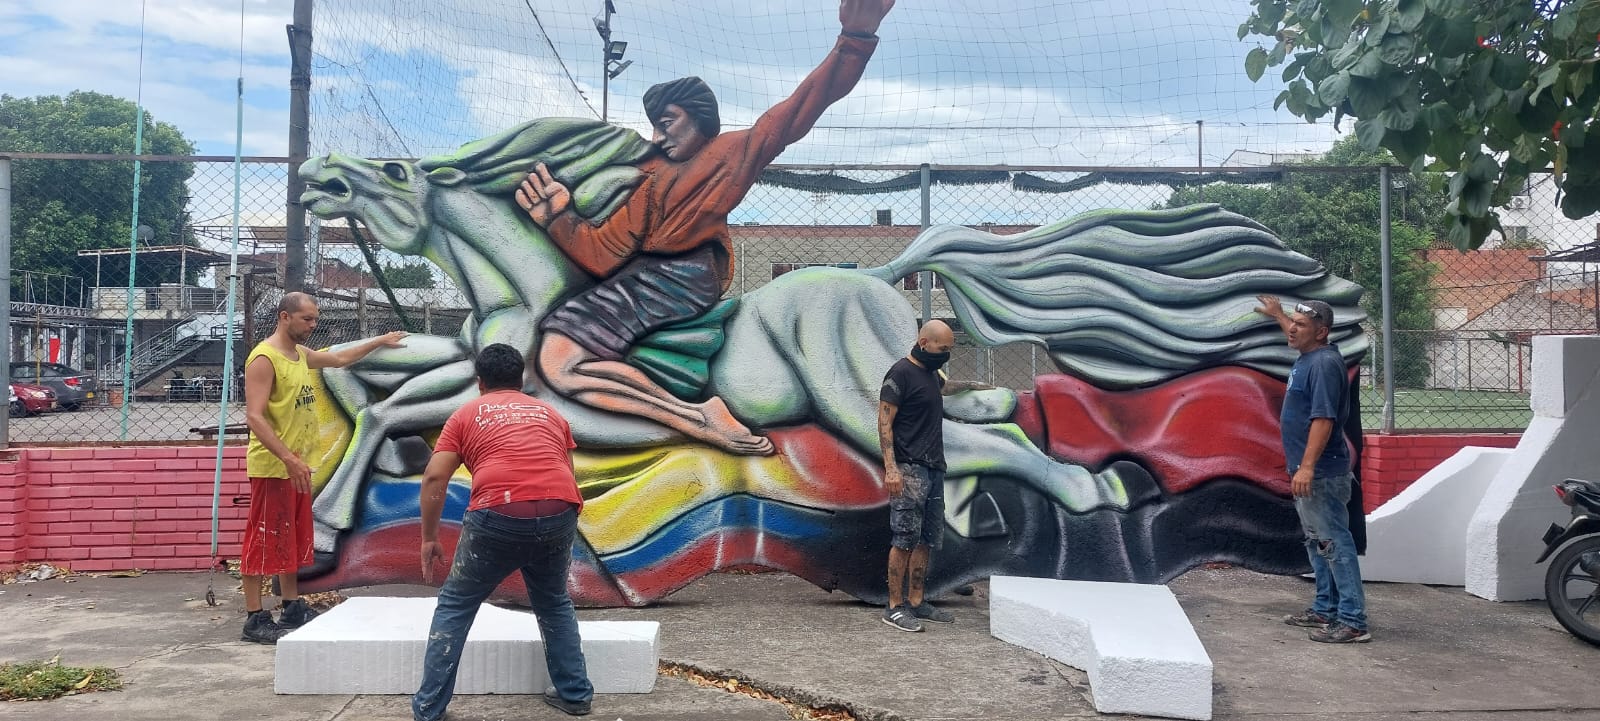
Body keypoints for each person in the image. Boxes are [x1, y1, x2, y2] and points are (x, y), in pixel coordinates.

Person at [515, 0, 896, 458]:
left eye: (667, 122)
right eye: (654, 127)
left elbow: (801, 108)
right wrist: (557, 218)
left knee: (559, 361)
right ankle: (690, 414)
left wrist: (855, 40)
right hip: (646, 277)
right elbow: (602, 254)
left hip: (680, 280)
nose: (658, 136)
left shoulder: (733, 152)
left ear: (699, 117)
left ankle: (699, 417)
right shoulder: (651, 176)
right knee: (558, 360)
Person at [412, 343, 593, 720]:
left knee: (457, 604)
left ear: (480, 382)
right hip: (560, 508)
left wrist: (429, 538)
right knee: (553, 601)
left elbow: (434, 477)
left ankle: (429, 709)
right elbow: (568, 472)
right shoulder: (550, 414)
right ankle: (575, 695)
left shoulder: (466, 415)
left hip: (498, 513)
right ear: (521, 379)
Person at [240, 292, 407, 644]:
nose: (313, 326)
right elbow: (254, 417)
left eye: (314, 319)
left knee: (291, 538)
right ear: (285, 317)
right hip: (274, 467)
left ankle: (291, 605)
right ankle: (255, 617)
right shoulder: (264, 359)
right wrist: (287, 457)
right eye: (307, 319)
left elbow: (338, 357)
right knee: (264, 539)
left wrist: (380, 340)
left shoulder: (299, 355)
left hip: (298, 466)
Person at [1254, 295, 1370, 644]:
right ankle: (1325, 608)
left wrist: (1306, 468)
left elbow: (1323, 419)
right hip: (1311, 471)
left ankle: (1352, 620)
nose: (1291, 329)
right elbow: (1295, 332)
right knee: (1318, 541)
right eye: (1291, 322)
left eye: (1299, 325)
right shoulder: (1312, 356)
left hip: (1320, 473)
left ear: (1321, 333)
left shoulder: (1321, 365)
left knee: (1334, 541)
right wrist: (1278, 315)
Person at [876, 320, 991, 632]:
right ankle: (894, 607)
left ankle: (916, 601)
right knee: (904, 539)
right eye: (943, 349)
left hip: (934, 468)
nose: (947, 355)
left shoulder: (930, 373)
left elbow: (945, 387)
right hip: (909, 470)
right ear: (923, 343)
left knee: (927, 539)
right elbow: (884, 423)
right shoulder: (899, 373)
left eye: (950, 350)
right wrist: (891, 468)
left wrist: (975, 387)